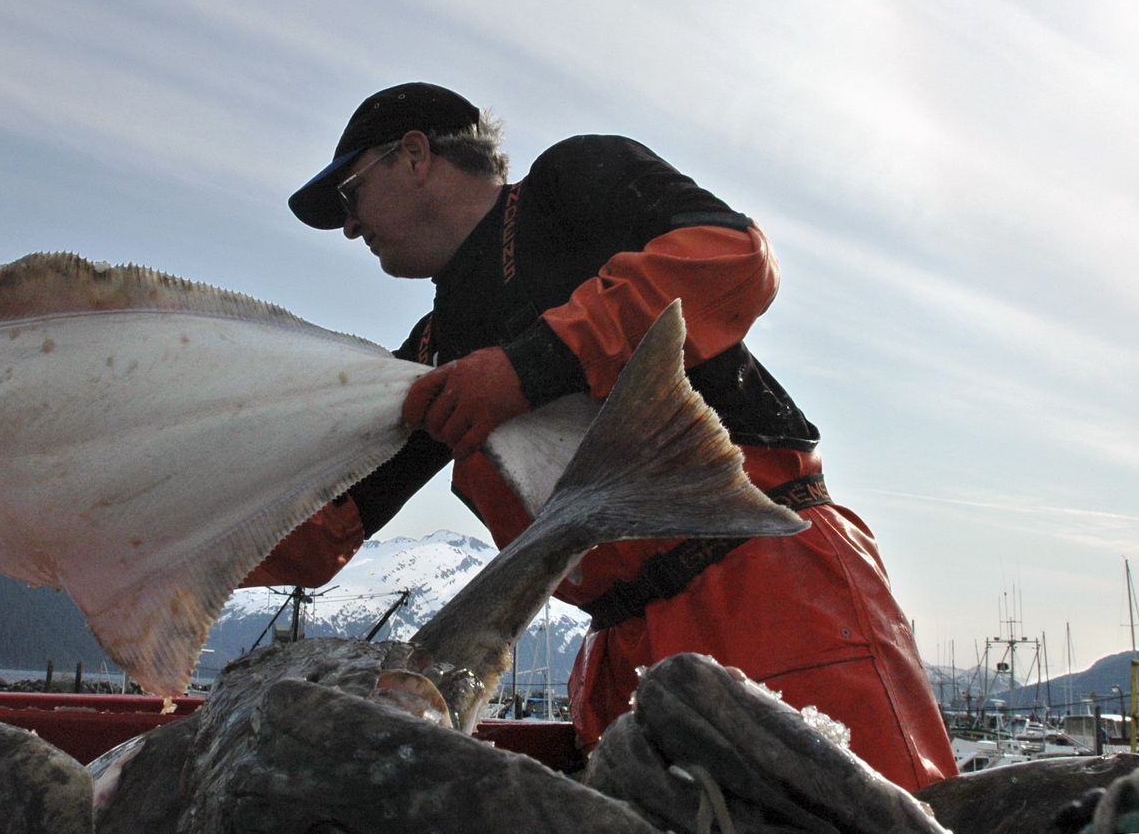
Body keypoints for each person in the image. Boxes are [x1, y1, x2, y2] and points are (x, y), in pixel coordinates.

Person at [246, 81, 957, 790]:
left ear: (414, 155)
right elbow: (322, 525)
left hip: (768, 586)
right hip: (622, 653)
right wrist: (160, 556)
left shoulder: (570, 187)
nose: (347, 227)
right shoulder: (435, 355)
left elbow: (734, 256)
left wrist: (531, 366)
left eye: (349, 194)